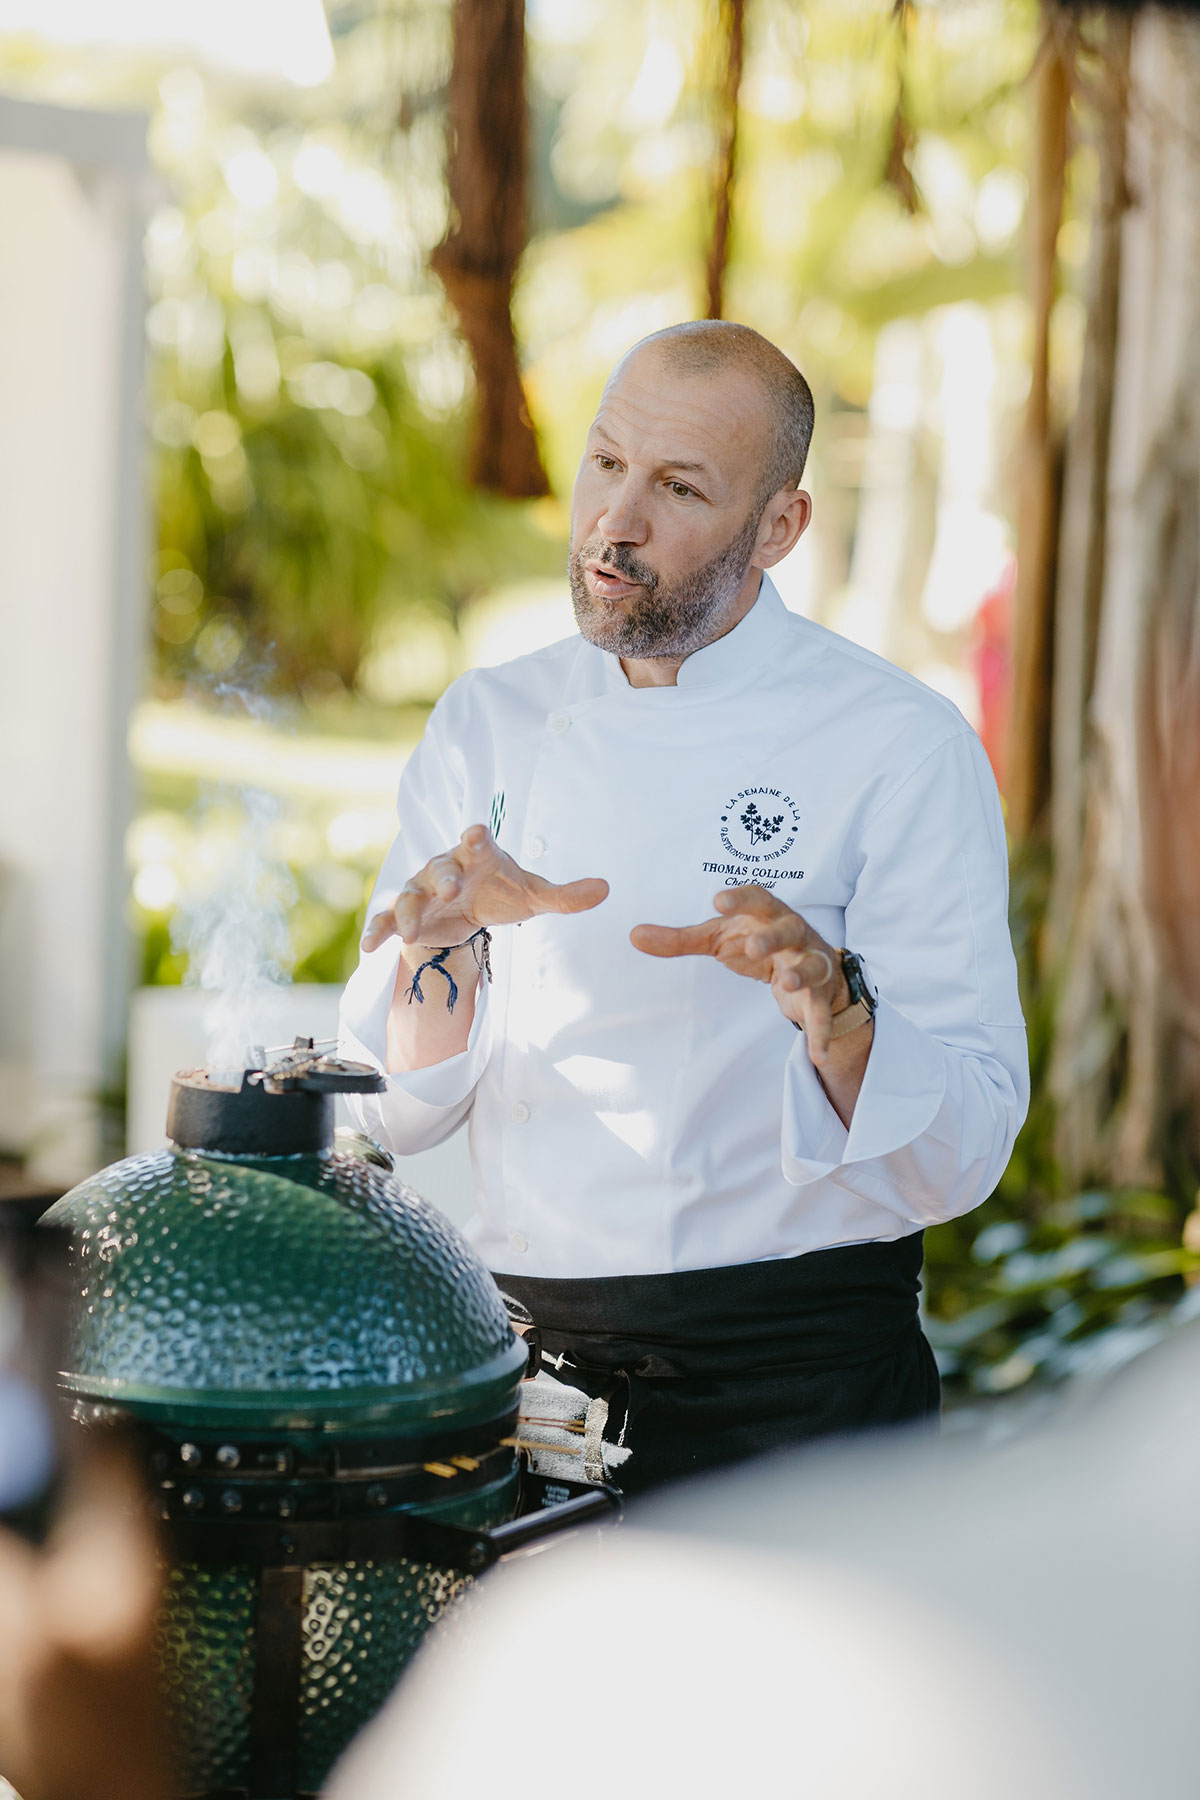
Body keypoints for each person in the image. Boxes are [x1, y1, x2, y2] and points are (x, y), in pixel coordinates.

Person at [339, 320, 1028, 1494]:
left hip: (796, 1382)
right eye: (605, 464)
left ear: (778, 527)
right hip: (531, 1373)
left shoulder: (897, 745)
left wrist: (840, 1010)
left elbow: (964, 1149)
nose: (617, 521)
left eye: (678, 487)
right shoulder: (488, 719)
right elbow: (401, 1116)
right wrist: (439, 948)